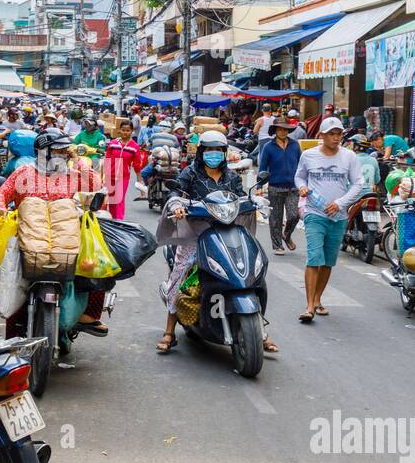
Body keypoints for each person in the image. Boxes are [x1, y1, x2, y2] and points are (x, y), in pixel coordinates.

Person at [156, 131, 277, 355]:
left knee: (252, 273)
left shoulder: (230, 177)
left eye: (218, 151)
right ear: (202, 152)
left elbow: (241, 196)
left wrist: (255, 200)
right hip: (196, 233)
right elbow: (175, 192)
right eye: (209, 150)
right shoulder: (190, 173)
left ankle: (260, 329)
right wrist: (176, 205)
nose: (214, 154)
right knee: (180, 274)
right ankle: (169, 331)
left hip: (227, 231)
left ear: (224, 153)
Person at [0, 130, 108, 335]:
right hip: (29, 239)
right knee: (11, 283)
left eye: (65, 151)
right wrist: (0, 208)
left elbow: (96, 186)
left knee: (97, 267)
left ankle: (88, 316)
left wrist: (78, 161)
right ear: (43, 152)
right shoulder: (24, 172)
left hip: (67, 238)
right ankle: (12, 341)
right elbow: (2, 194)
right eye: (59, 151)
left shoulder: (73, 175)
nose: (64, 154)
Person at [294, 117, 365, 322]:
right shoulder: (308, 155)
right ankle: (309, 307)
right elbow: (299, 176)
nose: (336, 138)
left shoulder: (349, 157)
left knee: (327, 262)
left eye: (339, 134)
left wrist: (341, 203)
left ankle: (317, 299)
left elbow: (358, 184)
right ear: (321, 135)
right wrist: (302, 187)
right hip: (314, 214)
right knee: (314, 258)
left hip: (339, 216)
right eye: (331, 134)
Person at [258, 118, 301, 254]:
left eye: (285, 129)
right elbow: (263, 167)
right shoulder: (268, 147)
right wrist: (260, 185)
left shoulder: (295, 145)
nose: (283, 131)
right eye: (280, 129)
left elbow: (301, 165)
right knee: (275, 218)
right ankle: (277, 246)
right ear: (275, 130)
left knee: (294, 215)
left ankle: (286, 235)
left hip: (293, 187)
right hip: (275, 187)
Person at [103, 120, 143, 221]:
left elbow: (137, 164)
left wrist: (140, 179)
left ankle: (120, 222)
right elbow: (107, 159)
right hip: (110, 175)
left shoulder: (135, 147)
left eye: (128, 130)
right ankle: (112, 221)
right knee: (111, 200)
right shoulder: (113, 144)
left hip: (123, 177)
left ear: (131, 131)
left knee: (119, 200)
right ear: (119, 130)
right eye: (123, 130)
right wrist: (103, 175)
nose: (125, 132)